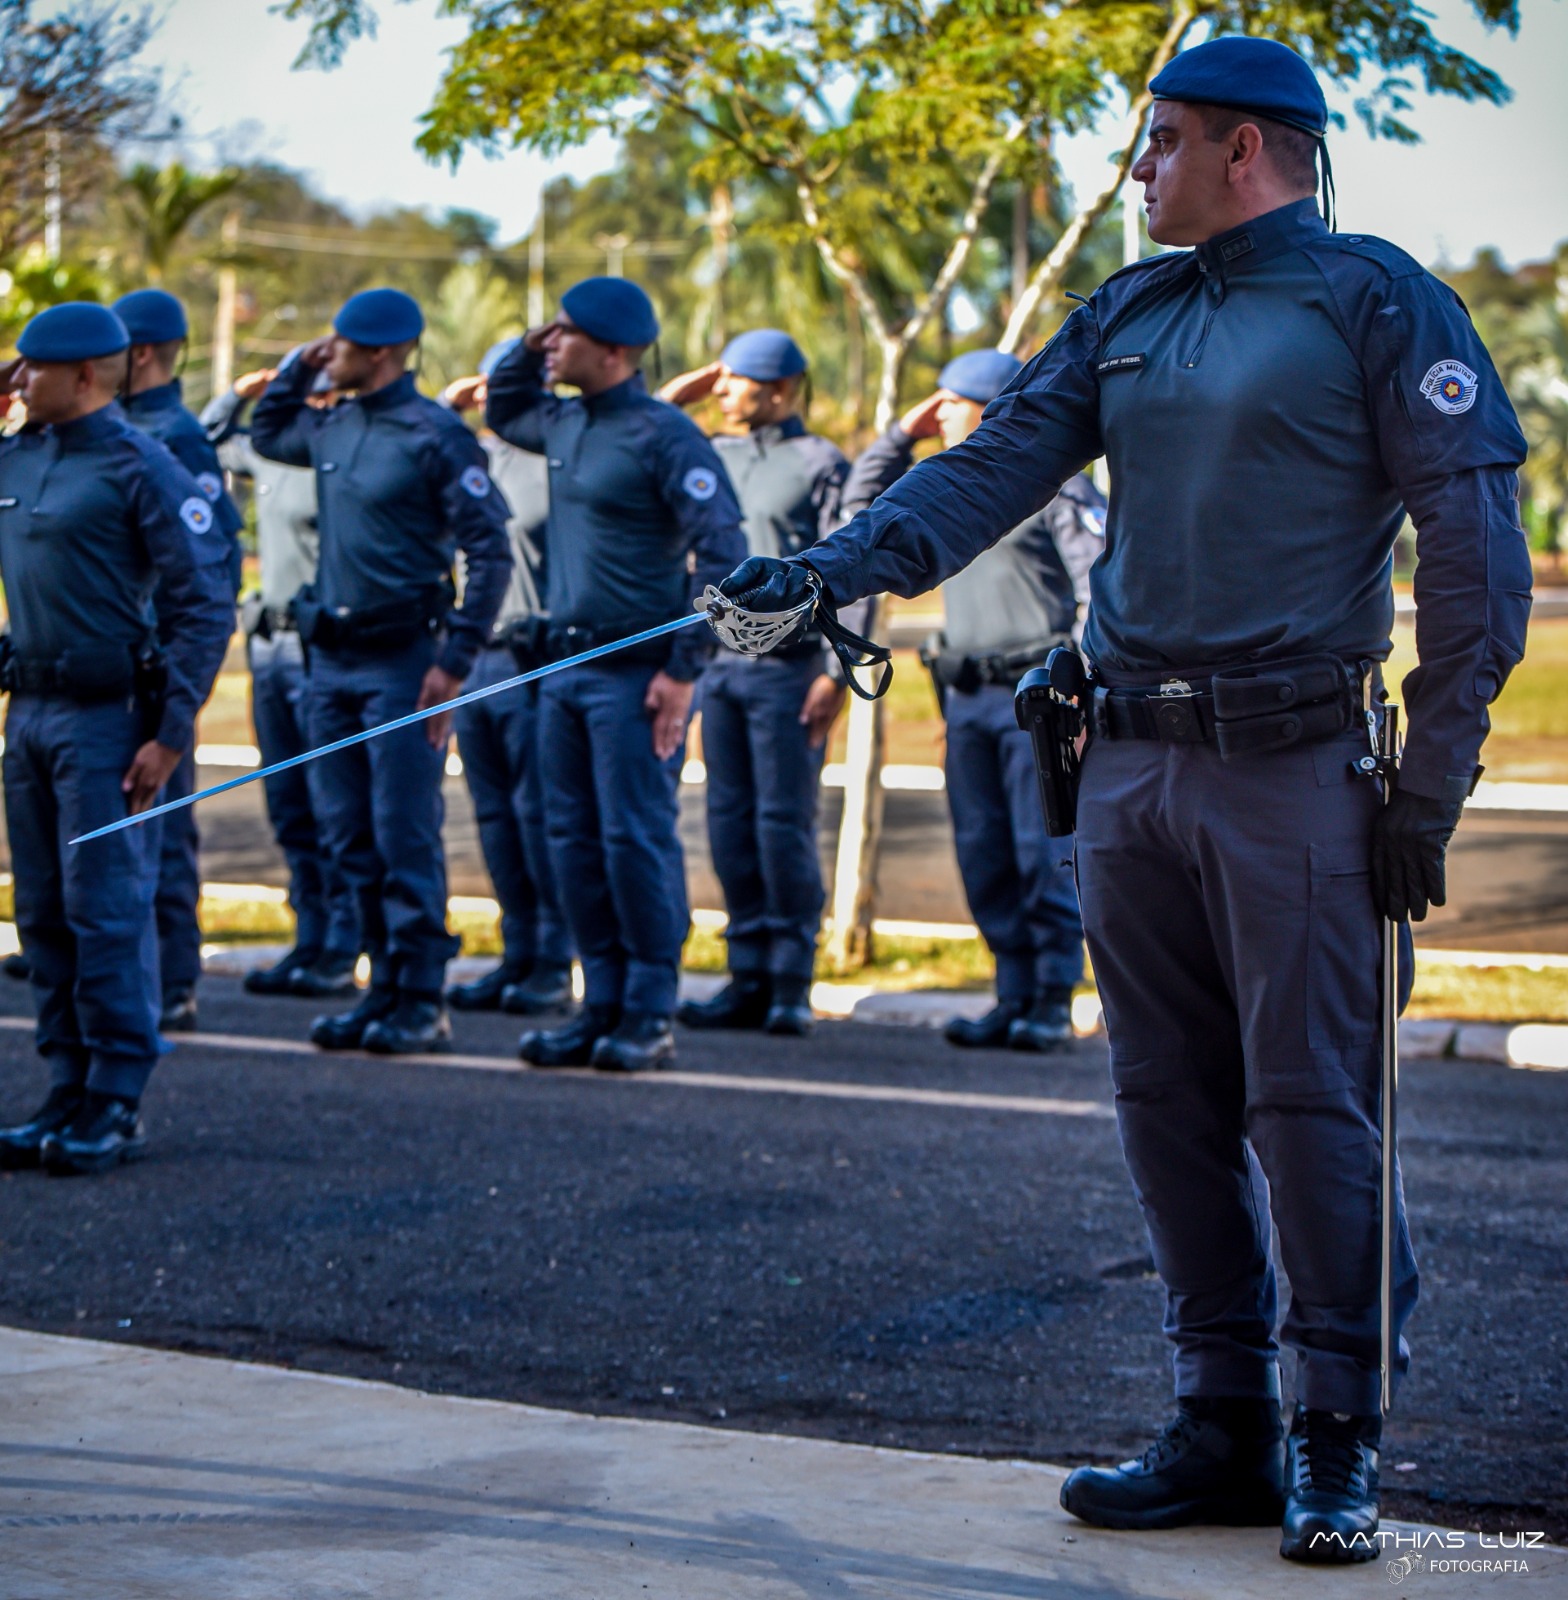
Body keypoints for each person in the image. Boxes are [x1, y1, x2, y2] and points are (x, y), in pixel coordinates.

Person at [713, 36, 1531, 1566]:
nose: (1137, 170)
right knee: (1165, 1107)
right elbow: (989, 472)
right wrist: (830, 572)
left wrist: (1431, 782)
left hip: (1297, 768)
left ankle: (1332, 1437)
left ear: (1244, 148)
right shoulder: (1132, 308)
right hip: (1130, 761)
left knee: (1311, 1111)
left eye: (1157, 143)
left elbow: (1474, 559)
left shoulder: (1375, 298)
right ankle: (1216, 1419)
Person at [486, 278, 747, 1071]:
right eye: (551, 333)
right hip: (562, 671)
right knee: (568, 839)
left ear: (615, 351)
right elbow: (502, 406)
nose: (552, 343)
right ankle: (597, 1003)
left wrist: (683, 668)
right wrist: (529, 345)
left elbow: (727, 556)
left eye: (567, 335)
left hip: (636, 677)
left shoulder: (663, 435)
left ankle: (647, 1011)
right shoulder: (563, 421)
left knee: (634, 841)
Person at [0, 303, 235, 1174]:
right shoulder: (19, 454)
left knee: (104, 909)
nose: (21, 380)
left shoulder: (144, 464)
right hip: (28, 714)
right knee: (43, 912)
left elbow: (204, 603)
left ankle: (118, 1097)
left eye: (35, 368)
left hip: (109, 723)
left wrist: (171, 733)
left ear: (87, 375)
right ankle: (67, 1084)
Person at [251, 287, 512, 1054]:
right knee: (347, 835)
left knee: (403, 833)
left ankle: (420, 999)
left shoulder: (436, 434)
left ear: (384, 351)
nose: (330, 352)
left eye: (342, 344)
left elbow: (490, 550)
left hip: (405, 662)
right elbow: (269, 431)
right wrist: (301, 365)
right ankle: (380, 990)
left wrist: (456, 659)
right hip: (329, 662)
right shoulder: (331, 424)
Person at [838, 349, 1105, 1052]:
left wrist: (1079, 700)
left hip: (1035, 704)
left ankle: (1049, 995)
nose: (941, 413)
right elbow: (861, 512)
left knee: (1041, 850)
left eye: (951, 401)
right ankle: (1010, 991)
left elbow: (1096, 591)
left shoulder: (1059, 490)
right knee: (983, 851)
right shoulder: (953, 490)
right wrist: (899, 436)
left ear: (991, 406)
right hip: (965, 699)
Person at [658, 330, 849, 1035]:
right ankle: (745, 977)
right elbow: (645, 429)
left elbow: (852, 570)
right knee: (729, 823)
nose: (723, 390)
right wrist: (686, 390)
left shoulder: (820, 462)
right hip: (719, 671)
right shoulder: (713, 453)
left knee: (783, 825)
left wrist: (833, 671)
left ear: (779, 389)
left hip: (790, 672)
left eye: (735, 380)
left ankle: (789, 981)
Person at [202, 367, 362, 999]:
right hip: (267, 645)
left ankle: (342, 944)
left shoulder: (334, 453)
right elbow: (209, 437)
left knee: (333, 801)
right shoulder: (269, 448)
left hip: (319, 644)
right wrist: (243, 389)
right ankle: (311, 933)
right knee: (289, 800)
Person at [114, 287, 245, 1033]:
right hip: (111, 663)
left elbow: (210, 570)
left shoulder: (177, 437)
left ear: (136, 354)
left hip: (156, 666)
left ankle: (173, 976)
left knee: (158, 827)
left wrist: (180, 682)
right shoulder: (116, 426)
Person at [440, 340, 573, 1015]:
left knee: (538, 813)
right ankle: (518, 952)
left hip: (535, 659)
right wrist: (446, 408)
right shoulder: (475, 456)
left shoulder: (559, 455)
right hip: (476, 658)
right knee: (493, 817)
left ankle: (553, 958)